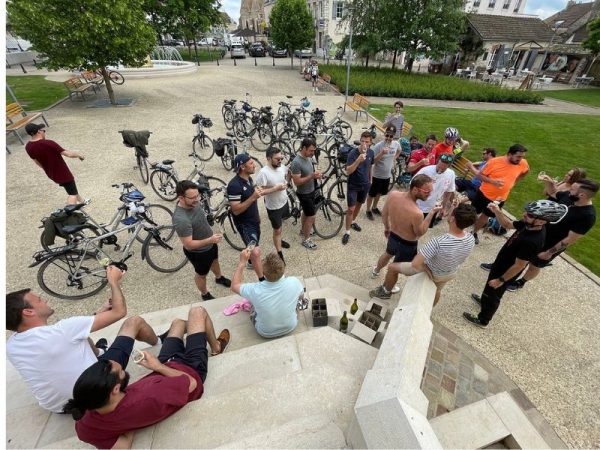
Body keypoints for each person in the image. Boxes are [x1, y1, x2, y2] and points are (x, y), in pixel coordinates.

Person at [66, 306, 230, 449]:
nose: (115, 363)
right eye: (116, 369)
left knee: (178, 323)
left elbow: (121, 447)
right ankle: (216, 346)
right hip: (190, 369)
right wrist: (157, 366)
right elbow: (191, 384)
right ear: (115, 389)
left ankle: (196, 334)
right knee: (197, 312)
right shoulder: (150, 396)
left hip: (165, 366)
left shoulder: (86, 426)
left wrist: (125, 423)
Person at [6, 267, 160, 413]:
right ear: (28, 311)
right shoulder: (63, 330)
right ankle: (159, 342)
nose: (44, 300)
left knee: (80, 338)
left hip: (59, 407)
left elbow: (68, 337)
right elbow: (119, 312)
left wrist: (98, 314)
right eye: (39, 300)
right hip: (97, 393)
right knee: (134, 322)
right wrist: (113, 281)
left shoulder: (11, 346)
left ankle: (100, 351)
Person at [463, 200, 568, 328]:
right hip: (502, 263)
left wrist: (501, 280)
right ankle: (485, 301)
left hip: (506, 271)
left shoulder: (532, 241)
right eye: (527, 212)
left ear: (541, 221)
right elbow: (507, 224)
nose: (524, 214)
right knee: (490, 290)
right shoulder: (528, 224)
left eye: (530, 215)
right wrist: (497, 211)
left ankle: (483, 320)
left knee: (494, 293)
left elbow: (519, 265)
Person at [370, 203, 477, 305]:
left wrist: (425, 268)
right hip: (449, 273)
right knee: (437, 291)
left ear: (452, 219)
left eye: (451, 212)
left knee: (392, 267)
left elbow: (415, 264)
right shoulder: (470, 238)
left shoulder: (438, 242)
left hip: (431, 272)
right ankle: (428, 309)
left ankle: (385, 291)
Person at [504, 179, 597, 292]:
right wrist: (548, 182)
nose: (569, 191)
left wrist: (549, 253)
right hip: (536, 233)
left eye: (572, 189)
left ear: (582, 194)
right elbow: (552, 193)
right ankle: (504, 272)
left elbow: (571, 238)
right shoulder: (569, 196)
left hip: (550, 244)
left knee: (534, 265)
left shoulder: (587, 216)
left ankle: (521, 282)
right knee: (519, 256)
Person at [370, 174, 441, 299]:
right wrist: (431, 214)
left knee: (387, 253)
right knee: (394, 269)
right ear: (415, 189)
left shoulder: (393, 195)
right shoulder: (417, 213)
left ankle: (375, 271)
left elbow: (384, 215)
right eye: (426, 191)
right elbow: (420, 232)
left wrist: (387, 228)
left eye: (430, 192)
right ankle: (386, 291)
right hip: (407, 244)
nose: (429, 195)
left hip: (393, 235)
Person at [172, 180, 231, 301]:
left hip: (210, 243)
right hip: (199, 252)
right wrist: (210, 240)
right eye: (193, 197)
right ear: (181, 198)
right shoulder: (181, 219)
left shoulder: (193, 202)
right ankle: (204, 294)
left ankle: (219, 277)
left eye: (197, 195)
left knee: (215, 261)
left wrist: (211, 239)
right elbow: (188, 245)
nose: (197, 199)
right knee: (201, 274)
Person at [231, 250, 303, 338]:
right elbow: (301, 296)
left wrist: (242, 262)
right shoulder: (294, 282)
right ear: (283, 269)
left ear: (263, 273)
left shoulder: (255, 289)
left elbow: (234, 286)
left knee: (253, 303)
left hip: (265, 332)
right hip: (291, 326)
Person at [471, 144, 530, 244]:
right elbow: (480, 176)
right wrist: (493, 182)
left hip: (500, 199)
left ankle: (473, 232)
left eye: (522, 157)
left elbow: (525, 171)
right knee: (472, 212)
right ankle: (460, 227)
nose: (520, 159)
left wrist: (515, 181)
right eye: (518, 157)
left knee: (485, 216)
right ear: (510, 154)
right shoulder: (494, 162)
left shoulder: (522, 163)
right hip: (484, 194)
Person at [24, 123, 85, 205]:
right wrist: (79, 155)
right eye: (43, 130)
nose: (44, 132)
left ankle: (82, 202)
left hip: (51, 173)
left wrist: (47, 169)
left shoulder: (28, 146)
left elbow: (36, 162)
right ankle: (70, 212)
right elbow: (68, 154)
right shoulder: (49, 143)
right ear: (39, 131)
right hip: (62, 172)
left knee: (71, 188)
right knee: (72, 194)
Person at [227, 154, 265, 279]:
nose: (254, 165)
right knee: (255, 251)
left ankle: (250, 262)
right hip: (245, 225)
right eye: (251, 163)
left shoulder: (248, 179)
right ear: (242, 167)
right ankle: (262, 280)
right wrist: (253, 197)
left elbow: (256, 194)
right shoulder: (234, 186)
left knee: (254, 247)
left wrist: (276, 188)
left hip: (254, 221)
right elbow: (236, 210)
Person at [255, 147, 291, 263]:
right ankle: (280, 253)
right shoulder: (263, 173)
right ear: (268, 158)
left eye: (281, 158)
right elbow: (259, 192)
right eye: (277, 159)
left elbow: (287, 172)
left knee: (281, 225)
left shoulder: (281, 167)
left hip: (284, 202)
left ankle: (279, 240)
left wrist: (287, 182)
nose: (280, 161)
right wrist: (275, 188)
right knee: (277, 230)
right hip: (274, 207)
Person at [342, 131, 375, 244]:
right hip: (353, 184)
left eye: (367, 142)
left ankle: (353, 222)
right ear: (360, 141)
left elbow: (370, 167)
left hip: (365, 184)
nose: (364, 144)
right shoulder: (353, 153)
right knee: (351, 209)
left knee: (359, 205)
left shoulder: (371, 153)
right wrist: (358, 160)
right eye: (362, 141)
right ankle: (347, 232)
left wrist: (370, 180)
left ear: (371, 143)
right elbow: (348, 171)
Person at [290, 137, 321, 250]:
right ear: (303, 148)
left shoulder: (308, 157)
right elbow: (297, 182)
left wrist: (314, 176)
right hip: (304, 194)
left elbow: (308, 174)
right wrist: (311, 176)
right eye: (311, 150)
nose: (313, 153)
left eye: (314, 150)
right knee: (311, 216)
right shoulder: (296, 162)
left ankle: (303, 231)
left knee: (306, 213)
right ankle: (306, 240)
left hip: (310, 191)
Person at [365, 126, 401, 221]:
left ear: (394, 137)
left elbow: (399, 151)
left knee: (380, 193)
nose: (389, 138)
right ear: (385, 134)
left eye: (391, 136)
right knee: (372, 194)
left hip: (387, 175)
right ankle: (368, 210)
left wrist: (394, 159)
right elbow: (372, 161)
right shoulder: (378, 146)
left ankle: (374, 207)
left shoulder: (396, 144)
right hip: (377, 175)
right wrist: (382, 153)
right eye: (387, 135)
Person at [414, 153, 457, 227]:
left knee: (425, 226)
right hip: (418, 205)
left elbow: (449, 191)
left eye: (443, 169)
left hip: (433, 208)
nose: (440, 170)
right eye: (439, 167)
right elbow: (412, 185)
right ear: (437, 161)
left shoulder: (451, 174)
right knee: (413, 225)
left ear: (449, 166)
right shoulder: (425, 171)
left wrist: (443, 207)